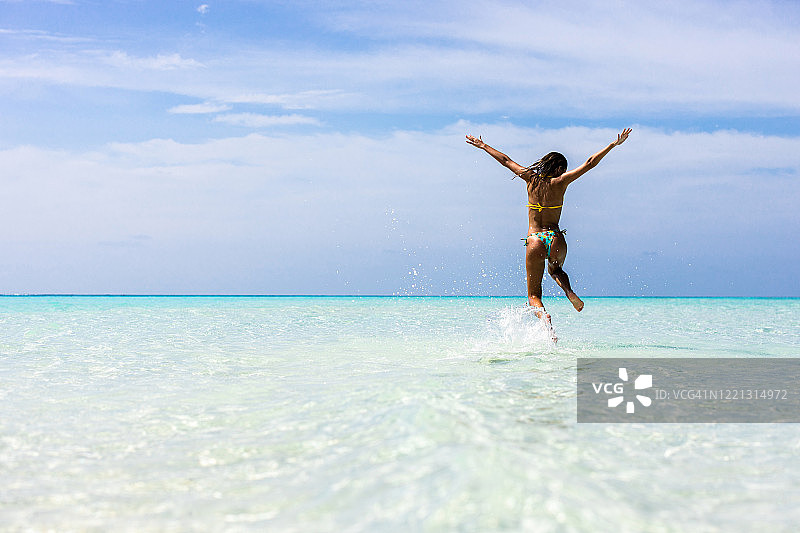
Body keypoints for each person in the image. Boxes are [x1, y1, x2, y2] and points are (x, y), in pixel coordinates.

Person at [466, 128, 631, 327]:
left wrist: (483, 145)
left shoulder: (530, 178)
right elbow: (589, 163)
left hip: (535, 239)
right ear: (560, 169)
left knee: (534, 295)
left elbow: (506, 160)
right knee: (556, 271)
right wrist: (613, 145)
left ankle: (545, 320)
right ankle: (569, 292)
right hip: (555, 238)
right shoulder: (561, 182)